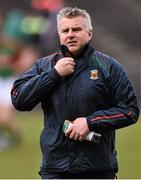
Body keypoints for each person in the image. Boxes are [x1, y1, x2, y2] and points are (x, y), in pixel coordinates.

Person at [11, 7, 140, 179]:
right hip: (55, 169)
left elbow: (130, 110)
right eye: (65, 30)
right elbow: (19, 99)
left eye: (77, 29)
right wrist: (54, 74)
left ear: (89, 33)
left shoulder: (108, 66)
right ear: (60, 35)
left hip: (97, 169)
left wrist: (90, 122)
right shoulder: (45, 66)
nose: (70, 34)